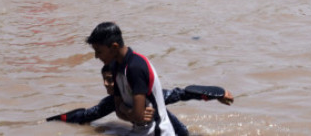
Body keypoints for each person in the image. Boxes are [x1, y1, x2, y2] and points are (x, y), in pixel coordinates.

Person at [46, 66, 231, 134]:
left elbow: (181, 93)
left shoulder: (145, 94)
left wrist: (218, 94)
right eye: (104, 80)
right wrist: (53, 120)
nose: (105, 84)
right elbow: (88, 115)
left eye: (110, 80)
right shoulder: (113, 101)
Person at [85, 22, 181, 136]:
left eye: (99, 51)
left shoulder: (135, 67)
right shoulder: (115, 68)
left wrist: (126, 109)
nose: (96, 56)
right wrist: (128, 111)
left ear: (114, 47)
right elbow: (120, 112)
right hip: (139, 131)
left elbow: (138, 116)